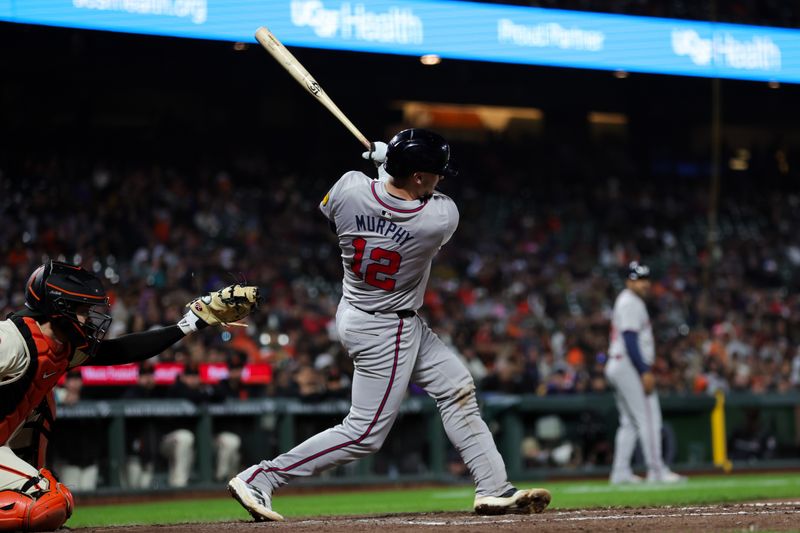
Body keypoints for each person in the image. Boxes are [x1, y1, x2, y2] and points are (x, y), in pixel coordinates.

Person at [228, 128, 551, 521]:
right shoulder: (436, 220)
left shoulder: (347, 187)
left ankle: (494, 488)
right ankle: (262, 476)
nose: (439, 179)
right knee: (363, 434)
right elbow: (422, 198)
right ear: (418, 176)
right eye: (434, 173)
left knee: (456, 387)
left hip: (358, 309)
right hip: (387, 326)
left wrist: (385, 171)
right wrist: (388, 165)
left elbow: (337, 213)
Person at [0, 260, 259, 532]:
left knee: (43, 408)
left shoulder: (60, 346)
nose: (89, 318)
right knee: (48, 503)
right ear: (59, 308)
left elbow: (122, 351)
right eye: (82, 309)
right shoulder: (12, 338)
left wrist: (191, 323)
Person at [605, 261, 685, 484]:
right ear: (628, 281)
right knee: (649, 417)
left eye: (646, 279)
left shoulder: (627, 301)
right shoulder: (630, 302)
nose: (644, 284)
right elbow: (631, 339)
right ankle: (656, 470)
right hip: (629, 364)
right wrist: (644, 370)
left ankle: (620, 473)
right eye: (639, 279)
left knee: (629, 422)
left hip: (618, 363)